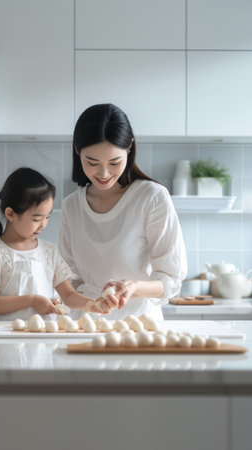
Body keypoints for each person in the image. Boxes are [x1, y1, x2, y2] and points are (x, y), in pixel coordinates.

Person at [59, 104, 187, 321]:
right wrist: (91, 302)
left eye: (114, 162)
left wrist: (134, 287)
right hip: (86, 323)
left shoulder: (152, 197)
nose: (104, 173)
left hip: (139, 324)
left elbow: (171, 279)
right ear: (77, 151)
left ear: (130, 148)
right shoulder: (71, 206)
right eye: (92, 163)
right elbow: (69, 280)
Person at [0, 167, 109, 321]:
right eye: (37, 219)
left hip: (44, 340)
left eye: (47, 217)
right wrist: (32, 300)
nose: (43, 224)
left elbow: (69, 296)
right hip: (7, 340)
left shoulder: (49, 251)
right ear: (10, 214)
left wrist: (93, 303)